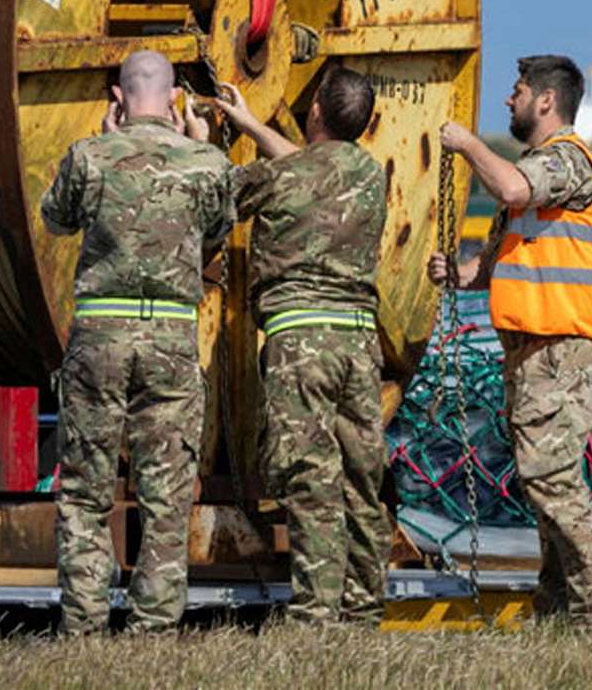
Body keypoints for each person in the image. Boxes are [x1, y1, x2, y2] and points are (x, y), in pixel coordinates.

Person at [426, 54, 592, 626]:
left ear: (545, 101)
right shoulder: (540, 169)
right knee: (543, 483)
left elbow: (512, 189)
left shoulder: (567, 161)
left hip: (563, 347)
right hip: (532, 349)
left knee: (553, 479)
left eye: (516, 92)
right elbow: (499, 263)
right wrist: (460, 275)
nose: (507, 101)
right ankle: (558, 603)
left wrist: (465, 144)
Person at [41, 49, 233, 635]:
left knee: (85, 490)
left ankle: (84, 624)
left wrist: (104, 142)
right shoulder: (205, 164)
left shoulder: (89, 157)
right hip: (170, 338)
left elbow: (55, 219)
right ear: (176, 98)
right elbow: (218, 231)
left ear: (118, 99)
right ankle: (152, 627)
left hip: (100, 335)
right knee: (168, 492)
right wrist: (203, 143)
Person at [211, 68, 390, 624]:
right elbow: (312, 168)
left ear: (315, 111)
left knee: (311, 478)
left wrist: (201, 137)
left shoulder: (277, 178)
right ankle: (364, 607)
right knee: (362, 477)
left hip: (300, 342)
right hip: (360, 344)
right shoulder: (369, 174)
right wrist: (252, 123)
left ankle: (315, 613)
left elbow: (218, 200)